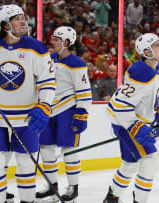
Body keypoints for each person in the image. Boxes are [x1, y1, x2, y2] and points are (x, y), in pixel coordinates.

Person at [0, 4, 55, 203]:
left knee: (26, 163)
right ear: (4, 24)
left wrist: (44, 106)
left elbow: (47, 81)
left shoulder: (36, 47)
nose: (23, 22)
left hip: (27, 116)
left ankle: (28, 200)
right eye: (17, 18)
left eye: (23, 17)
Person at [103, 33, 159, 203]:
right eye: (157, 45)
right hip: (127, 124)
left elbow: (149, 100)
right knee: (151, 162)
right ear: (147, 52)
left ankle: (112, 199)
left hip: (133, 124)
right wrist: (134, 126)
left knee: (130, 164)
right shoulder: (140, 72)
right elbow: (116, 106)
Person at [35, 26, 92, 202]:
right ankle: (52, 187)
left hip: (67, 110)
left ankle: (73, 188)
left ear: (67, 43)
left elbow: (84, 92)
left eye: (57, 39)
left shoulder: (77, 64)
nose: (53, 42)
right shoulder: (50, 58)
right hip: (48, 110)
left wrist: (81, 114)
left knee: (69, 150)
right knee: (46, 149)